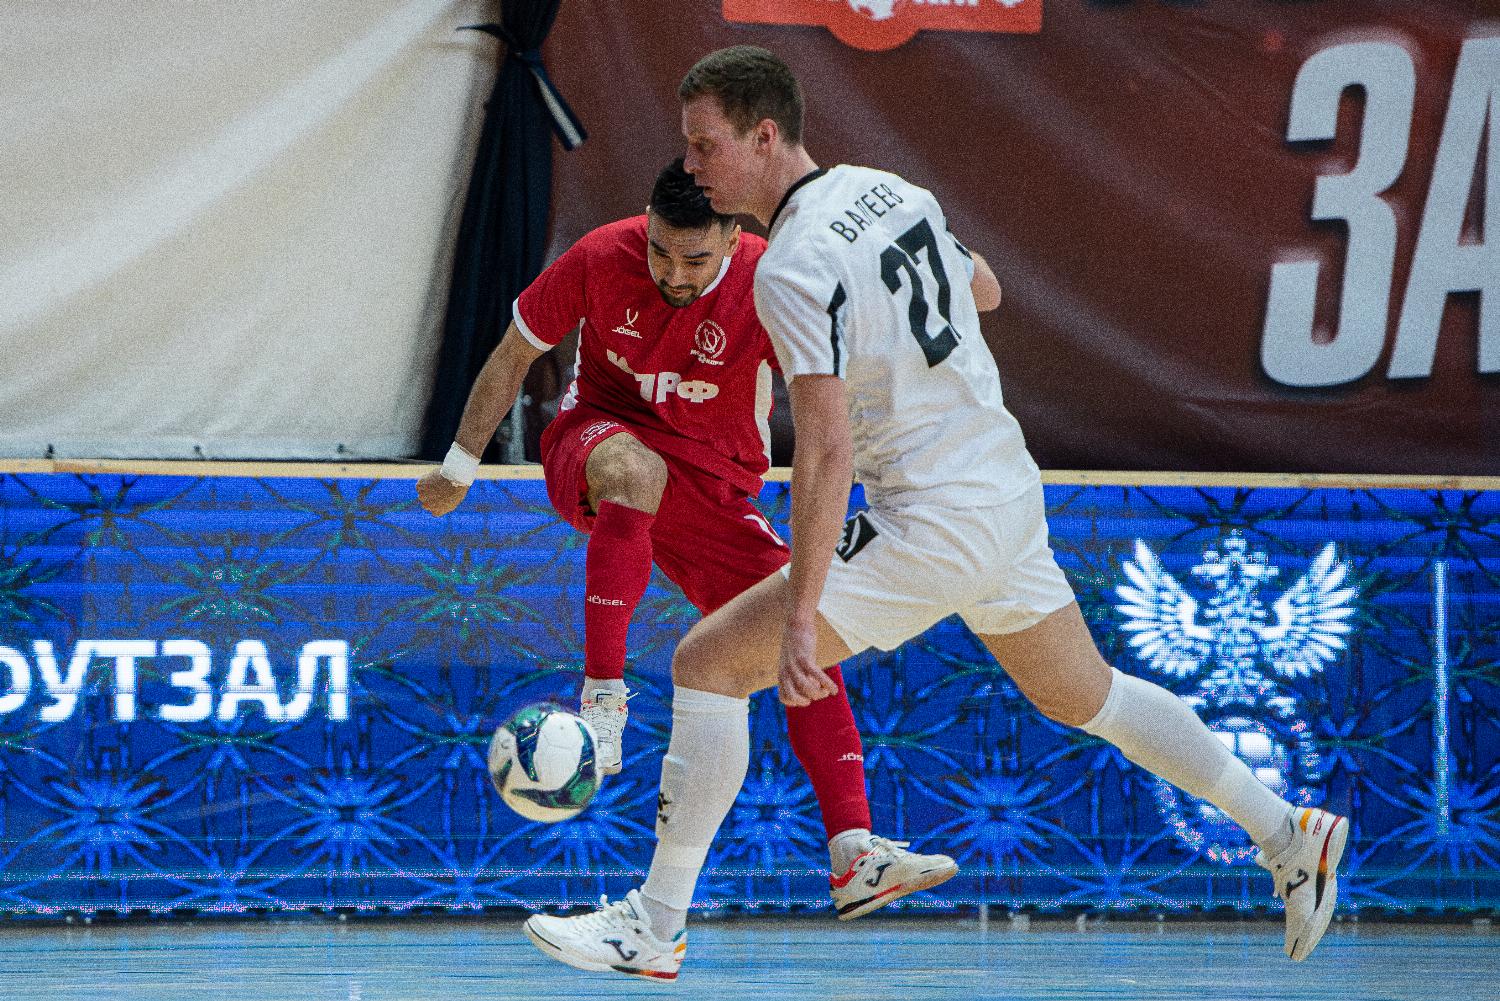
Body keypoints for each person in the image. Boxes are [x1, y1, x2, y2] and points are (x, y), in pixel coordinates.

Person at [521, 46, 1349, 980]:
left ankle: (654, 924)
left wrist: (802, 612)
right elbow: (984, 289)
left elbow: (824, 451)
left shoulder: (787, 267)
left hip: (927, 516)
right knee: (1087, 694)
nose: (692, 164)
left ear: (764, 136)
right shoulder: (889, 189)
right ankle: (1287, 829)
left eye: (705, 145)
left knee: (707, 663)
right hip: (1003, 490)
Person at [417, 159, 958, 935]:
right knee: (637, 471)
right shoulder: (601, 256)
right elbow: (512, 355)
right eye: (660, 252)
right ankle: (603, 699)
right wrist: (459, 465)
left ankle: (853, 851)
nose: (672, 272)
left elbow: (839, 403)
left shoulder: (777, 282)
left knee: (801, 626)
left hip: (715, 484)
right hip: (599, 440)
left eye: (695, 259)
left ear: (735, 240)